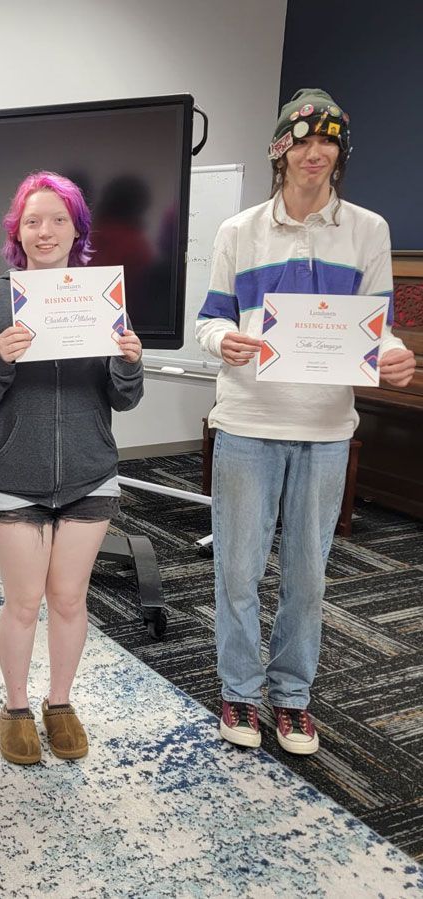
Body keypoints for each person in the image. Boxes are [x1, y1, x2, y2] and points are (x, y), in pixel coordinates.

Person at [197, 89, 415, 755]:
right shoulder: (239, 232)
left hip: (325, 428)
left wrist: (397, 356)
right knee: (237, 570)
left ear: (340, 152)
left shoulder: (368, 231)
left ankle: (292, 697)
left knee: (307, 572)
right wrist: (220, 341)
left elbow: (377, 335)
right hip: (246, 419)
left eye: (329, 141)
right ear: (280, 147)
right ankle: (239, 688)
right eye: (303, 138)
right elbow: (210, 318)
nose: (315, 151)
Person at [0, 172, 144, 764]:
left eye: (59, 219)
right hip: (14, 479)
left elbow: (124, 398)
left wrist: (128, 361)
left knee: (68, 600)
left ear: (77, 229)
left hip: (90, 473)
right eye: (32, 220)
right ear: (17, 231)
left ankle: (60, 703)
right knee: (24, 602)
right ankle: (14, 708)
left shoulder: (100, 297)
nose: (45, 231)